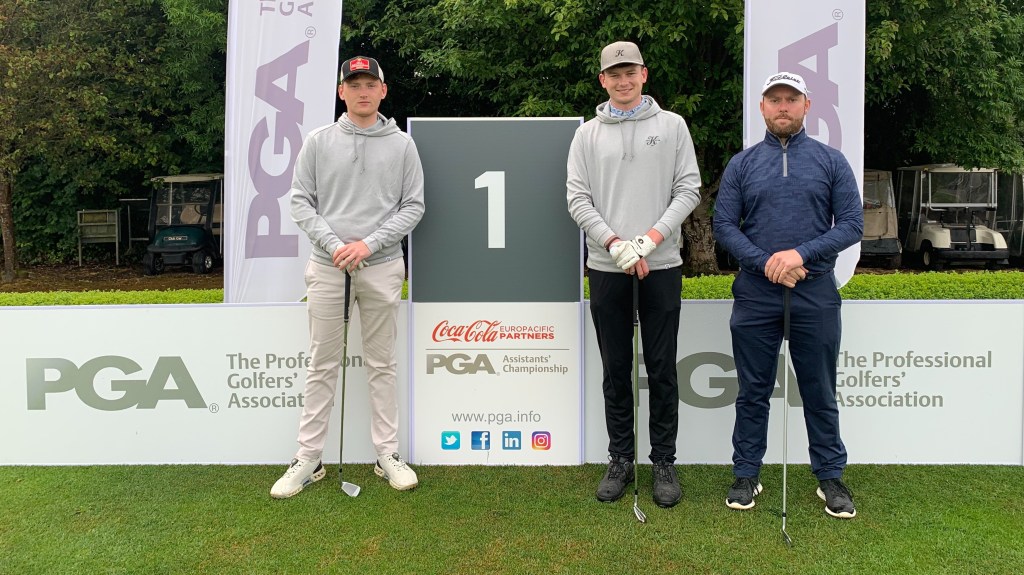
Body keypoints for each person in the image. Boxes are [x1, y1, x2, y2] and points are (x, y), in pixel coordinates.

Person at [271, 55, 425, 498]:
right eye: (353, 84)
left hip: (380, 267)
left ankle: (387, 455)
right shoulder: (319, 141)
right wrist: (336, 244)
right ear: (342, 92)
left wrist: (367, 244)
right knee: (322, 364)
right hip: (328, 267)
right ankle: (308, 458)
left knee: (382, 363)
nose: (362, 91)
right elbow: (301, 202)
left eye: (369, 84)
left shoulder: (402, 145)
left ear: (383, 90)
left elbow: (413, 206)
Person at [713, 72, 864, 518]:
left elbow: (852, 224)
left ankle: (830, 477)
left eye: (791, 99)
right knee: (752, 390)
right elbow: (723, 227)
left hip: (815, 292)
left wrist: (799, 254)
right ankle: (746, 473)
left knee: (819, 389)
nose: (783, 106)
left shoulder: (831, 161)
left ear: (805, 106)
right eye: (774, 99)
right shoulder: (742, 164)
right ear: (762, 108)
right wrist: (769, 264)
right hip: (756, 293)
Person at [567, 41, 702, 508]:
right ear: (602, 80)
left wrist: (648, 240)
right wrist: (616, 245)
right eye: (614, 74)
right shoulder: (586, 134)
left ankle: (663, 460)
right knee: (615, 368)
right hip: (607, 266)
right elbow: (577, 199)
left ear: (644, 75)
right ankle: (621, 457)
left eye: (631, 72)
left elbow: (688, 190)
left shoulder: (672, 126)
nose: (623, 81)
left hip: (661, 264)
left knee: (663, 368)